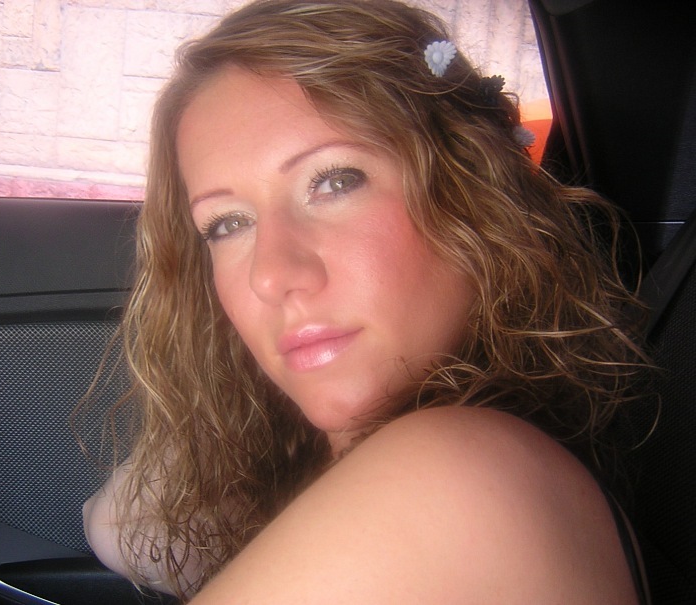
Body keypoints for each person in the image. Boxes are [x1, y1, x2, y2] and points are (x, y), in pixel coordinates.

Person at [82, 0, 652, 602]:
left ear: (473, 193)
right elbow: (121, 523)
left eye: (334, 182)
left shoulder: (456, 476)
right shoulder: (293, 468)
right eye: (227, 223)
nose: (271, 276)